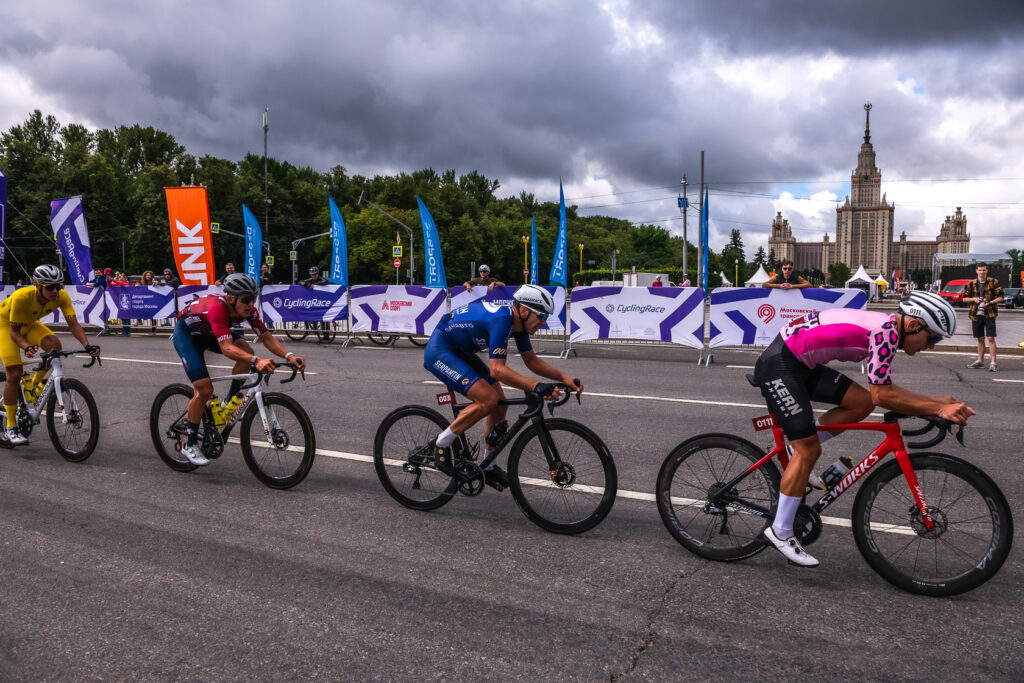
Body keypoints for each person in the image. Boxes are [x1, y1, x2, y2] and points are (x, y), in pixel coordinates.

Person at [751, 291, 971, 567]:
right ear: (915, 325)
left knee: (861, 402)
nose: (932, 347)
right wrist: (937, 408)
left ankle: (798, 449)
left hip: (797, 361)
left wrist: (938, 403)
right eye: (933, 338)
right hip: (780, 364)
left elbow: (880, 393)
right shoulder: (885, 333)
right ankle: (780, 531)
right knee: (810, 450)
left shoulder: (888, 328)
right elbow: (883, 396)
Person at [423, 284, 582, 489]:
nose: (543, 323)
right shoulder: (502, 320)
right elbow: (497, 370)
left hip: (461, 352)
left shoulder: (519, 325)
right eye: (541, 316)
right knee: (488, 399)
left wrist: (564, 378)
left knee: (499, 403)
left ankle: (488, 465)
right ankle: (440, 444)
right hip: (440, 351)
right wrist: (536, 385)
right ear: (523, 311)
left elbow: (531, 360)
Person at [171, 273, 305, 466]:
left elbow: (266, 337)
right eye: (246, 299)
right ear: (231, 298)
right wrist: (257, 361)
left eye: (253, 298)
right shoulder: (218, 309)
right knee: (204, 390)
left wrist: (289, 356)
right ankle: (190, 444)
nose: (251, 304)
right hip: (188, 336)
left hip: (209, 332)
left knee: (246, 351)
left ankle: (228, 403)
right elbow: (226, 348)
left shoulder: (249, 311)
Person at [0, 265, 101, 446]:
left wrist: (87, 346)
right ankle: (11, 427)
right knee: (14, 374)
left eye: (58, 286)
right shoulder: (22, 297)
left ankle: (34, 386)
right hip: (6, 326)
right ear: (38, 286)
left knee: (54, 348)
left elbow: (73, 324)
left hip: (30, 324)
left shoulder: (61, 296)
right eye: (50, 287)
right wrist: (26, 347)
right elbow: (14, 333)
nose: (55, 290)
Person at [963, 262, 1004, 372]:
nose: (982, 272)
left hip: (990, 313)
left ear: (987, 271)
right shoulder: (971, 284)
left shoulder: (993, 282)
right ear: (976, 271)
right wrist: (974, 299)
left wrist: (990, 302)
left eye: (984, 270)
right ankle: (980, 361)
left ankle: (993, 363)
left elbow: (1001, 296)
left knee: (991, 338)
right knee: (980, 339)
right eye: (980, 270)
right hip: (976, 314)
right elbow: (964, 298)